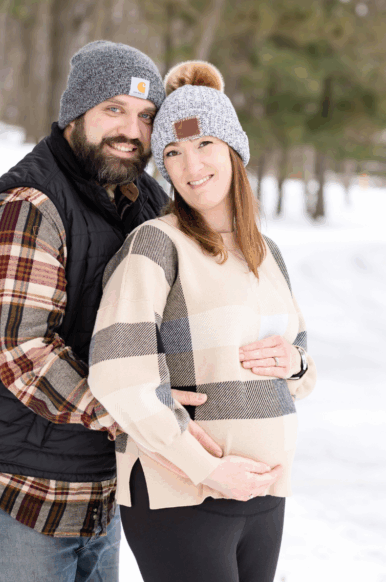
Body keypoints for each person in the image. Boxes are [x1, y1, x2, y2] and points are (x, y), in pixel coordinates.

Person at [0, 41, 222, 582]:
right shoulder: (27, 205)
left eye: (146, 116)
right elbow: (26, 356)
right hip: (9, 481)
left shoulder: (143, 198)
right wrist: (139, 412)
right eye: (114, 109)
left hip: (97, 478)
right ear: (75, 114)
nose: (131, 130)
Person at [87, 61, 316, 582]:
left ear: (234, 149)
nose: (191, 165)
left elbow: (303, 372)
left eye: (204, 144)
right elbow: (118, 376)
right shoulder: (156, 245)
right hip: (183, 493)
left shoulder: (267, 253)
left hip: (264, 491)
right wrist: (207, 468)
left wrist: (294, 361)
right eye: (172, 152)